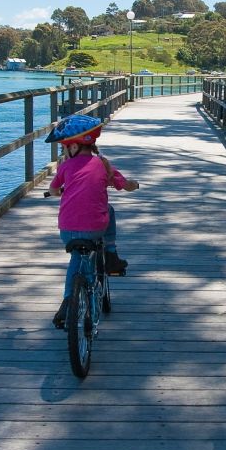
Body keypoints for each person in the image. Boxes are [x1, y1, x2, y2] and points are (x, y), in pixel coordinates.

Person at [44, 114, 139, 329]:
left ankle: (68, 301)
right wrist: (133, 184)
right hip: (95, 228)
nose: (63, 152)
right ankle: (111, 253)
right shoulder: (102, 165)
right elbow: (124, 184)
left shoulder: (65, 166)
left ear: (74, 147)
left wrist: (59, 191)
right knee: (109, 210)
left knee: (76, 259)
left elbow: (53, 189)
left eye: (63, 148)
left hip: (67, 230)